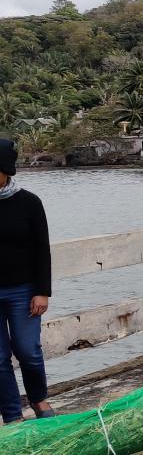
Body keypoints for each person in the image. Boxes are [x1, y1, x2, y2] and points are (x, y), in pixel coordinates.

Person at [0, 139, 54, 424]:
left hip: (23, 291)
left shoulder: (29, 203)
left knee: (27, 350)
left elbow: (42, 250)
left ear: (5, 170)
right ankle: (11, 416)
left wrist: (42, 291)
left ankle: (38, 399)